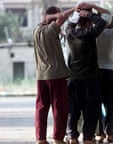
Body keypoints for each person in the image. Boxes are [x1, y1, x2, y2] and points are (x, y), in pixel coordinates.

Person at [33, 4, 83, 144]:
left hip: (41, 75)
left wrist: (51, 16)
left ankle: (40, 138)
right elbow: (61, 17)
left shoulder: (36, 30)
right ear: (53, 17)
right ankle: (58, 138)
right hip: (56, 75)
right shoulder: (51, 29)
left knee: (41, 108)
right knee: (59, 108)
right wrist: (74, 9)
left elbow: (56, 18)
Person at [65, 3, 110, 144]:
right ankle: (88, 137)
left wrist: (77, 13)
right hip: (89, 78)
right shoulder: (89, 34)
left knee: (73, 110)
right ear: (89, 23)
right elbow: (102, 22)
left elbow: (70, 23)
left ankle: (72, 136)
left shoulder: (69, 32)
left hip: (72, 78)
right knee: (90, 109)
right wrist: (90, 12)